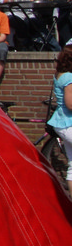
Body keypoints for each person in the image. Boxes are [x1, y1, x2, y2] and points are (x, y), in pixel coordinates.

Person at [46, 45, 72, 185]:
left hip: (62, 122)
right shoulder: (69, 77)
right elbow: (70, 104)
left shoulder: (60, 74)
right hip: (68, 123)